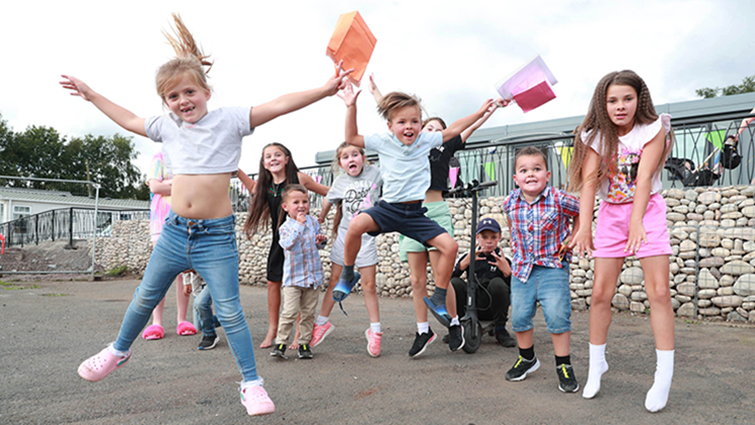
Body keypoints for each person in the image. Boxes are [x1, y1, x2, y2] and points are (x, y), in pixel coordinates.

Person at [62, 13, 351, 416]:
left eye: (189, 92)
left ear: (205, 91)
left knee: (229, 309)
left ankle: (252, 383)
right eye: (173, 97)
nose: (183, 102)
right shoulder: (167, 127)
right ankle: (118, 350)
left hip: (215, 237)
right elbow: (128, 119)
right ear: (165, 103)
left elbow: (279, 105)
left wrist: (324, 90)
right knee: (145, 295)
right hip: (175, 232)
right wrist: (91, 94)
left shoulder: (230, 120)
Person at [336, 81, 496, 353]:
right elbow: (352, 136)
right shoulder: (383, 141)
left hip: (415, 212)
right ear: (391, 126)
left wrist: (481, 111)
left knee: (451, 247)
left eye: (415, 121)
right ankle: (348, 274)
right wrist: (351, 106)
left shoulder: (426, 140)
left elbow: (456, 128)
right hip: (389, 209)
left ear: (421, 124)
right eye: (402, 122)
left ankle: (440, 296)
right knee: (355, 225)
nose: (409, 126)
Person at [567, 70, 675, 412]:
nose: (620, 106)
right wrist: (584, 226)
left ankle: (664, 375)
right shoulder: (595, 135)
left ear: (638, 99)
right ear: (603, 103)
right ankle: (597, 363)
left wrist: (637, 222)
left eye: (627, 98)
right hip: (611, 214)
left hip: (648, 212)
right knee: (600, 293)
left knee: (658, 291)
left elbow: (644, 179)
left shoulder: (654, 128)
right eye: (613, 100)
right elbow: (588, 182)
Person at [503, 146, 580, 393]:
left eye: (537, 169)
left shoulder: (559, 198)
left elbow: (581, 212)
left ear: (547, 174)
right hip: (522, 270)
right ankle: (527, 359)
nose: (531, 174)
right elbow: (512, 225)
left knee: (557, 316)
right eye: (524, 170)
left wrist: (575, 236)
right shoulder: (510, 202)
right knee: (519, 317)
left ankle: (564, 365)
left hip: (552, 268)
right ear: (516, 178)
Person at [243, 143, 329, 349]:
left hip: (301, 243)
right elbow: (252, 188)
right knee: (273, 283)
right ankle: (273, 330)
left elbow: (329, 192)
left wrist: (322, 216)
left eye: (278, 155)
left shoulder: (299, 179)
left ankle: (299, 333)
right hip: (280, 240)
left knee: (301, 286)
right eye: (268, 156)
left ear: (287, 158)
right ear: (263, 163)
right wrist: (236, 171)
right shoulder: (266, 185)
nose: (273, 159)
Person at [313, 142, 383, 356]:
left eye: (355, 155)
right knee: (335, 281)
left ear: (363, 157)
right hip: (345, 235)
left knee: (369, 285)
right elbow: (328, 199)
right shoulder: (341, 181)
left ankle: (376, 332)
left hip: (367, 235)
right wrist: (322, 217)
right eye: (346, 157)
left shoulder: (376, 173)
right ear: (340, 163)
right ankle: (322, 323)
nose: (351, 159)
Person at [142, 150, 197, 340]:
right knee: (161, 271)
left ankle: (182, 319)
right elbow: (155, 187)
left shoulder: (190, 155)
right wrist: (180, 185)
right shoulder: (160, 156)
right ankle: (156, 322)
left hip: (187, 217)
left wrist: (169, 185)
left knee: (184, 271)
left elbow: (196, 187)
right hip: (161, 219)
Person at [270, 184, 327, 360]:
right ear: (286, 206)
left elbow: (319, 244)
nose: (301, 205)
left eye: (305, 201)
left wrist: (321, 240)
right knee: (289, 312)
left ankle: (304, 343)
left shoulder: (314, 222)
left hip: (312, 277)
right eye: (296, 202)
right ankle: (280, 343)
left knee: (308, 313)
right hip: (294, 279)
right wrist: (299, 226)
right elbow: (288, 244)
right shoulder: (286, 227)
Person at [450, 217, 516, 347]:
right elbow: (448, 280)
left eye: (493, 237)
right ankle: (458, 327)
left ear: (499, 237)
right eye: (484, 237)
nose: (489, 241)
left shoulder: (505, 258)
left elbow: (518, 290)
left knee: (497, 283)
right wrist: (463, 264)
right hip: (470, 306)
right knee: (455, 283)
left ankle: (500, 330)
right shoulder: (468, 255)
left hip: (493, 308)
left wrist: (508, 273)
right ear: (477, 237)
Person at [182, 270, 222, 350]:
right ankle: (230, 319)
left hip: (214, 279)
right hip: (197, 283)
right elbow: (186, 261)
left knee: (201, 303)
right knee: (199, 325)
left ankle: (209, 335)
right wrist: (187, 282)